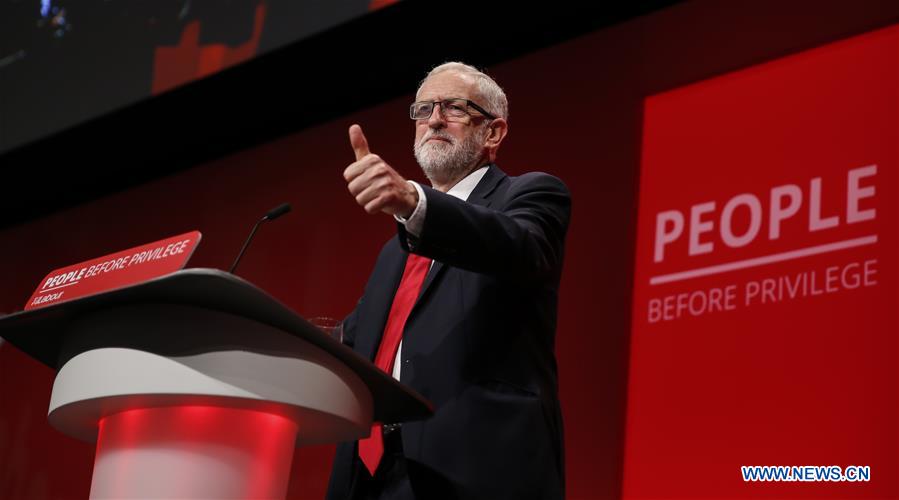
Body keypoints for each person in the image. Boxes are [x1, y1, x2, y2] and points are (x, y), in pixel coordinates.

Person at [328, 62, 570, 500]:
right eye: (423, 110)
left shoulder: (531, 196)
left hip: (475, 469)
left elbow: (517, 247)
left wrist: (414, 202)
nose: (434, 119)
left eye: (454, 108)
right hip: (371, 478)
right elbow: (357, 344)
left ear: (493, 133)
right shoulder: (395, 250)